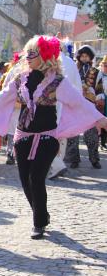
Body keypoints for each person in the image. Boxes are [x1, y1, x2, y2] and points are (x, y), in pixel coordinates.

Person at [0, 35, 107, 239]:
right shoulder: (20, 78)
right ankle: (42, 213)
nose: (28, 57)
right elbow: (0, 98)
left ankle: (38, 223)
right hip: (22, 137)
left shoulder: (58, 81)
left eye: (33, 53)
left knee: (36, 178)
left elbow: (79, 102)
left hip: (47, 138)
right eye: (27, 53)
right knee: (25, 180)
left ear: (45, 55)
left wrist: (100, 119)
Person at [47, 41, 82, 180]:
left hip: (50, 104)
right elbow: (77, 87)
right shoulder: (70, 62)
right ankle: (57, 162)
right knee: (61, 136)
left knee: (47, 135)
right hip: (66, 104)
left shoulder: (49, 61)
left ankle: (55, 165)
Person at [65, 45, 103, 169]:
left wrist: (99, 97)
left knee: (91, 134)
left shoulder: (96, 71)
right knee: (72, 134)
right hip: (75, 104)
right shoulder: (73, 69)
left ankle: (94, 159)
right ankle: (74, 159)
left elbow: (99, 88)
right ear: (79, 56)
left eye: (86, 56)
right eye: (82, 55)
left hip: (89, 105)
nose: (84, 58)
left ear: (90, 57)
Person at [97, 55, 107, 150]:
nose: (106, 67)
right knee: (102, 120)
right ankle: (102, 142)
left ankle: (104, 142)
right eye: (105, 65)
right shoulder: (99, 74)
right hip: (101, 100)